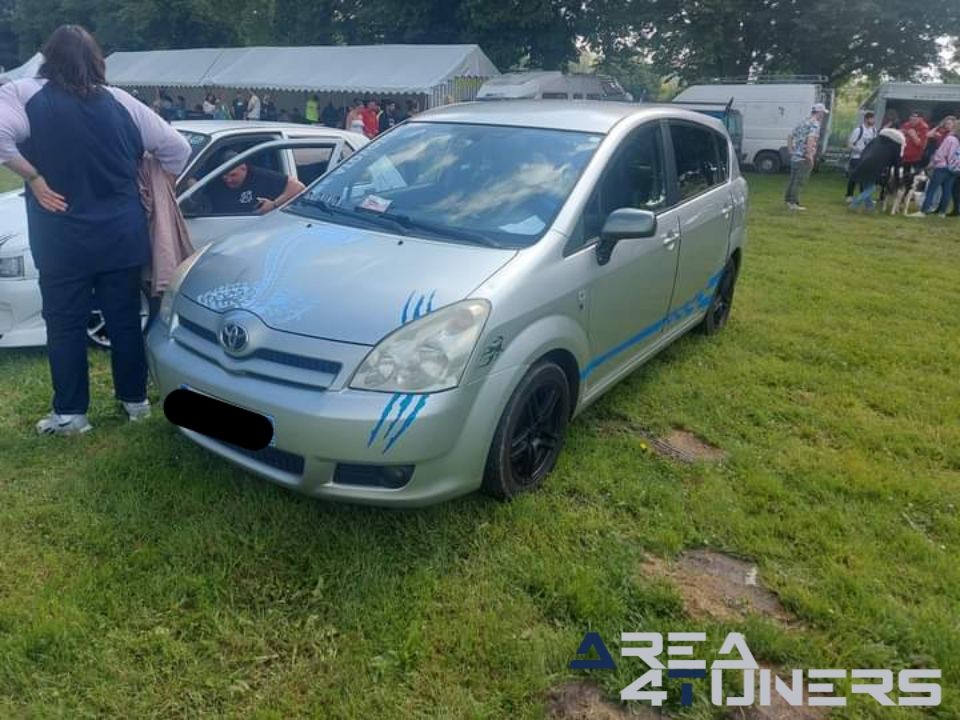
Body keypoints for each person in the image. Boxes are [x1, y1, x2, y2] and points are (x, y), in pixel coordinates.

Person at [0, 25, 191, 435]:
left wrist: (33, 177)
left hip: (61, 235)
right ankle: (135, 402)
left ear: (47, 57)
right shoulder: (122, 101)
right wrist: (157, 185)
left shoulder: (23, 93)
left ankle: (71, 414)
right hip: (122, 233)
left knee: (65, 324)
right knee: (124, 319)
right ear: (98, 60)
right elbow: (178, 149)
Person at [206, 151, 305, 215]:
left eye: (233, 175)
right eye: (224, 176)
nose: (228, 180)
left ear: (244, 169)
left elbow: (298, 187)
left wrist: (274, 205)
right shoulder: (215, 182)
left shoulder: (260, 176)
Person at [784, 102, 828, 211]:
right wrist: (810, 156)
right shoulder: (815, 124)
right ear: (819, 112)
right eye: (823, 113)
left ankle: (788, 200)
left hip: (795, 156)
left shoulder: (803, 121)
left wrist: (790, 150)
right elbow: (811, 139)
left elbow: (790, 135)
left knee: (793, 180)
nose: (823, 115)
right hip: (804, 157)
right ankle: (793, 203)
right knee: (799, 181)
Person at [848, 128, 906, 211]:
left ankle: (870, 206)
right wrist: (897, 179)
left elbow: (865, 150)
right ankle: (855, 203)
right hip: (877, 166)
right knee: (872, 188)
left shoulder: (876, 139)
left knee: (866, 186)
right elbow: (897, 163)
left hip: (864, 162)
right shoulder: (896, 145)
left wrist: (862, 160)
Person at [917, 126, 960, 216]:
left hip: (942, 166)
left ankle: (924, 210)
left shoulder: (950, 139)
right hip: (955, 168)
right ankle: (942, 212)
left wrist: (935, 161)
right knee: (947, 190)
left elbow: (942, 152)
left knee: (931, 189)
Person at [845, 110, 876, 201]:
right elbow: (850, 144)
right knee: (854, 177)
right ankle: (849, 195)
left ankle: (863, 196)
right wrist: (859, 150)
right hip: (856, 157)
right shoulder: (858, 130)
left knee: (865, 178)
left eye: (873, 119)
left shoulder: (873, 130)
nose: (873, 121)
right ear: (866, 119)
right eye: (871, 119)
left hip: (867, 158)